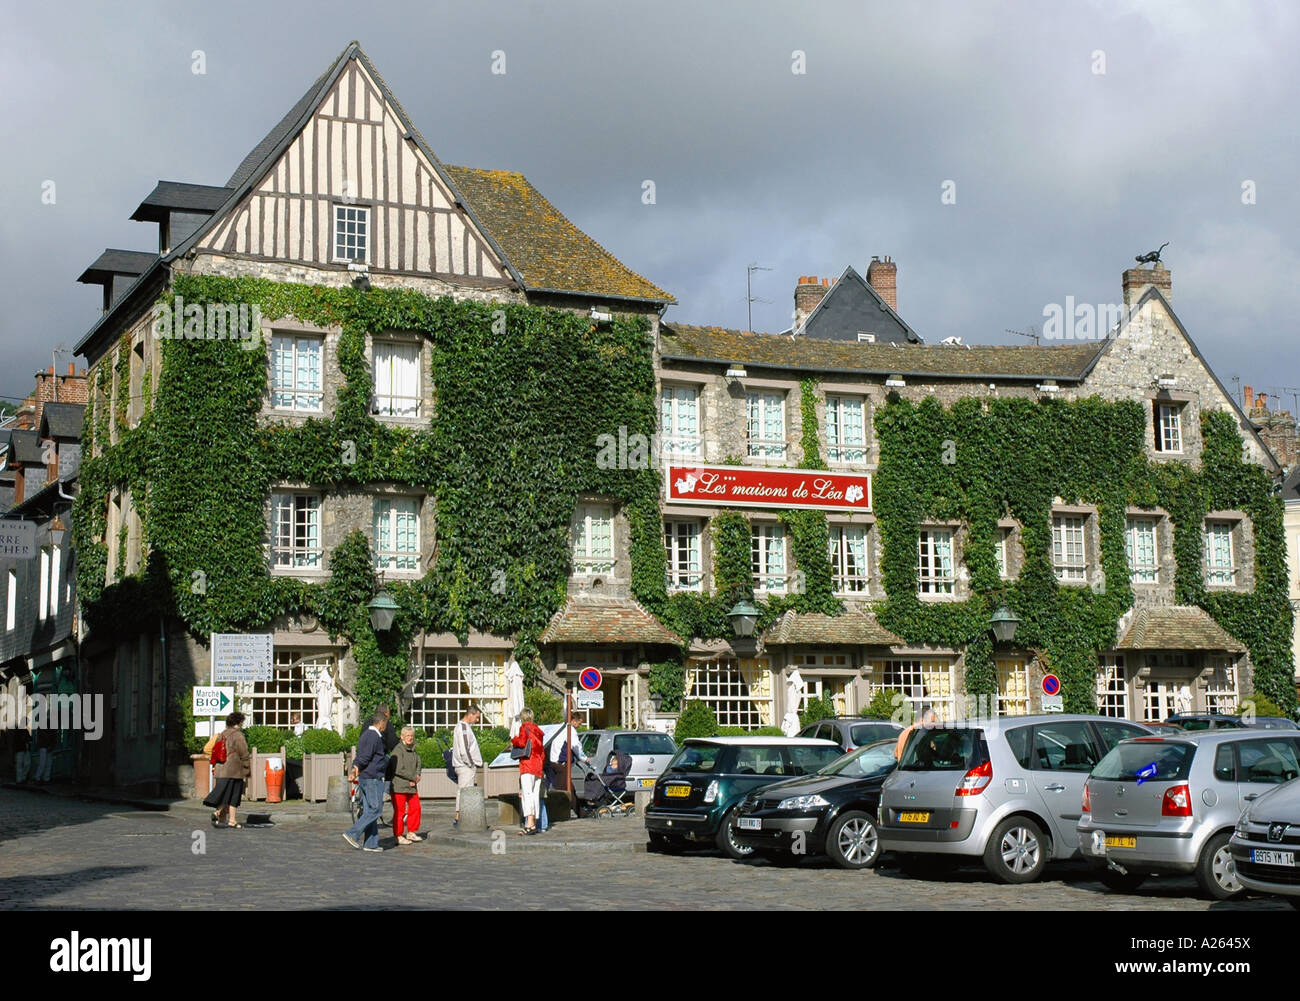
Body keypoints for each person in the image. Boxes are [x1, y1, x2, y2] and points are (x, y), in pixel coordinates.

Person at [344, 711, 390, 852]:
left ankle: (371, 843)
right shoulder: (373, 737)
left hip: (365, 777)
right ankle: (352, 833)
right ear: (381, 722)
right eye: (386, 723)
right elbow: (365, 757)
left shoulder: (365, 735)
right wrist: (356, 768)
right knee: (376, 809)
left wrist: (354, 769)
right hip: (372, 777)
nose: (386, 726)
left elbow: (360, 756)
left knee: (369, 810)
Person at [203, 712, 251, 828]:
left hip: (220, 769)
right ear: (238, 723)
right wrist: (246, 767)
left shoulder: (221, 734)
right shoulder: (238, 735)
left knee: (224, 794)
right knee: (234, 796)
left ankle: (221, 816)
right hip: (234, 770)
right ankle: (230, 819)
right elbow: (243, 753)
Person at [511, 707, 545, 835]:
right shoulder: (538, 731)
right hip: (538, 765)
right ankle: (534, 824)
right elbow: (541, 751)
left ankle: (529, 823)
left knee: (527, 794)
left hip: (528, 764)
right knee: (535, 794)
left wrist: (513, 739)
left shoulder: (524, 728)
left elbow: (521, 742)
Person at [390, 725, 423, 845]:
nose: (410, 738)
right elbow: (399, 769)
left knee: (416, 808)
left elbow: (418, 762)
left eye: (411, 736)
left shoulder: (413, 750)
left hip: (411, 785)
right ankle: (398, 835)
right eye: (407, 736)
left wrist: (417, 774)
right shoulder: (398, 750)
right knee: (400, 811)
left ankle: (411, 832)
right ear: (402, 736)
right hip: (399, 786)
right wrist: (412, 777)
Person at [451, 705, 483, 827]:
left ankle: (460, 817)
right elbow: (464, 749)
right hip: (465, 766)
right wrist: (471, 764)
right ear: (470, 714)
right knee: (465, 791)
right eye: (477, 717)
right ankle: (460, 818)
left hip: (463, 765)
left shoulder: (462, 727)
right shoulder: (463, 728)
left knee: (463, 790)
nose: (477, 720)